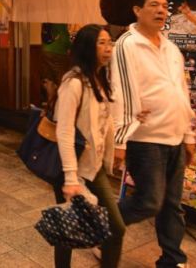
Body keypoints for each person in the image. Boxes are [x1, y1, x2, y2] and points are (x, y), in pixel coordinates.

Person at [112, 0, 196, 268]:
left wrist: (189, 135)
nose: (162, 10)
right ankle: (103, 226)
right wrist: (120, 141)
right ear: (137, 10)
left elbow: (182, 91)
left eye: (165, 6)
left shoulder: (171, 47)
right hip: (145, 138)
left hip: (174, 137)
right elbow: (122, 92)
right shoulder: (126, 44)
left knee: (172, 204)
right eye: (154, 5)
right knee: (149, 201)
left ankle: (173, 260)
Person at [53, 25, 125, 268]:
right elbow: (63, 131)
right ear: (87, 47)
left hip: (94, 166)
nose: (108, 49)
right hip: (74, 168)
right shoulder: (73, 83)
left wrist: (112, 153)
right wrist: (71, 177)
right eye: (102, 43)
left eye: (110, 43)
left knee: (115, 228)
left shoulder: (100, 78)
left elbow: (105, 122)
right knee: (68, 231)